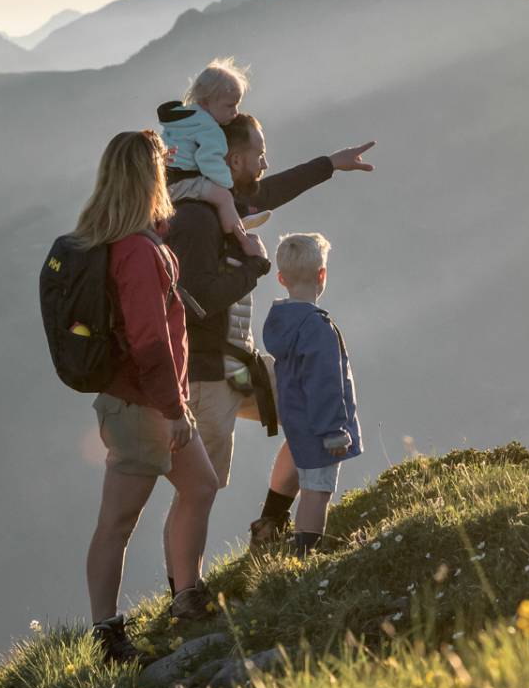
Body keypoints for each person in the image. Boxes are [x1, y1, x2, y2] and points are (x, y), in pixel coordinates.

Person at [161, 110, 375, 550]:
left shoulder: (226, 206)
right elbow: (198, 302)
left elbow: (273, 191)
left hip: (238, 366)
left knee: (302, 409)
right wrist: (254, 265)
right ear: (233, 159)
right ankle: (185, 592)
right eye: (258, 153)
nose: (265, 161)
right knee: (199, 490)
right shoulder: (198, 217)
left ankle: (271, 525)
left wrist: (331, 164)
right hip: (206, 374)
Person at [76, 130, 219, 664]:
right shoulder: (136, 252)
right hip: (143, 406)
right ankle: (109, 636)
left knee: (200, 485)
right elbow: (149, 340)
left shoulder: (128, 239)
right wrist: (174, 409)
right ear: (146, 178)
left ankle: (187, 598)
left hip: (147, 401)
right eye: (159, 168)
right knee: (117, 522)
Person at [262, 233, 363, 553]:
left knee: (308, 481)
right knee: (317, 491)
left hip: (297, 417)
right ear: (323, 275)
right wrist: (335, 431)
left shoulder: (281, 321)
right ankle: (304, 555)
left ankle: (274, 532)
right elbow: (326, 383)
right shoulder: (317, 327)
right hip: (321, 426)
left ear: (281, 278)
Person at [157, 59, 264, 250]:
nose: (235, 112)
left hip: (166, 179)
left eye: (237, 105)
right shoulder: (209, 129)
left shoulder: (185, 118)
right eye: (229, 106)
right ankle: (235, 235)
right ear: (206, 102)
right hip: (182, 181)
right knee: (222, 196)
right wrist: (227, 185)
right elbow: (207, 161)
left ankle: (236, 214)